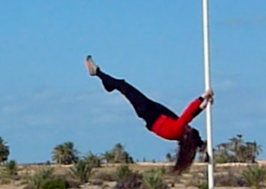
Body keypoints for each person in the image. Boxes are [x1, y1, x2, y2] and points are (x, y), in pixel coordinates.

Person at [85, 55, 213, 173]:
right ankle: (108, 84)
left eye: (189, 129)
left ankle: (97, 73)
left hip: (148, 112)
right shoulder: (180, 133)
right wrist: (203, 106)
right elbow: (190, 117)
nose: (189, 127)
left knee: (124, 86)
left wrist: (203, 97)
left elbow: (188, 114)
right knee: (122, 86)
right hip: (157, 112)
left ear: (186, 136)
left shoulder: (178, 130)